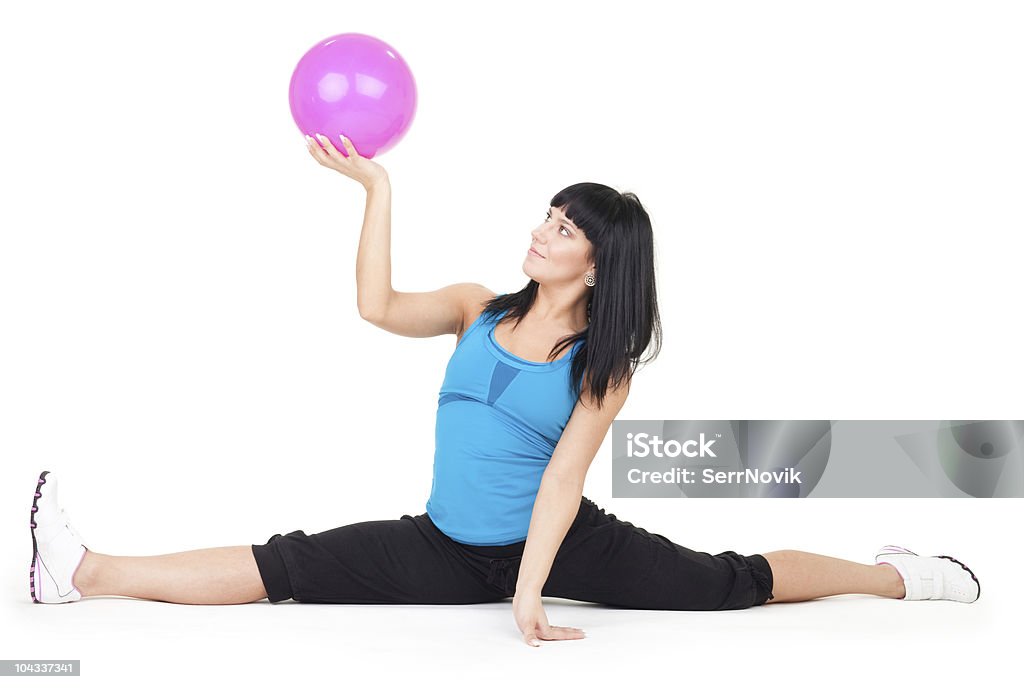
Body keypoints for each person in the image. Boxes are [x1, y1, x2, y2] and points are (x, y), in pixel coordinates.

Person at [29, 132, 981, 647]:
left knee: (728, 587)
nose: (541, 230)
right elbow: (374, 306)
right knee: (292, 564)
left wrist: (529, 593)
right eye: (548, 215)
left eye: (563, 228)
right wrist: (377, 192)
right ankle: (84, 572)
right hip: (441, 544)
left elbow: (563, 483)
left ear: (601, 265)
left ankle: (894, 573)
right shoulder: (475, 308)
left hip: (560, 546)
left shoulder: (600, 367)